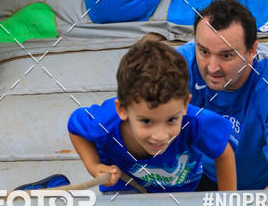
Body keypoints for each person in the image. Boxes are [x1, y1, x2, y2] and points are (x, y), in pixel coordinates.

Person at [68, 36, 237, 192]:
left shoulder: (195, 122)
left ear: (185, 105)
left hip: (185, 192)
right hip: (127, 190)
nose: (160, 136)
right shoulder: (104, 122)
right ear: (122, 109)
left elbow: (224, 153)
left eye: (171, 120)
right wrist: (94, 166)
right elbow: (75, 127)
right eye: (147, 121)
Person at [177, 0, 268, 190]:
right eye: (204, 51)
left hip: (254, 189)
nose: (212, 68)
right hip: (196, 173)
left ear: (251, 50)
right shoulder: (177, 65)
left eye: (226, 55)